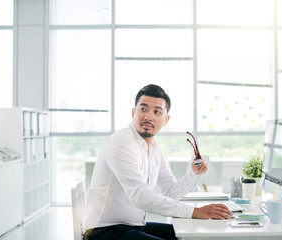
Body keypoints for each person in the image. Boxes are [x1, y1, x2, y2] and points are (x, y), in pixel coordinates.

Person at [82, 84, 233, 240]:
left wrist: (193, 175)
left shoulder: (154, 148)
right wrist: (195, 211)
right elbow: (140, 196)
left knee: (190, 235)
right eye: (143, 109)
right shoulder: (121, 142)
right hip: (104, 232)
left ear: (166, 119)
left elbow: (170, 193)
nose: (148, 116)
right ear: (133, 112)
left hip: (131, 226)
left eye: (156, 112)